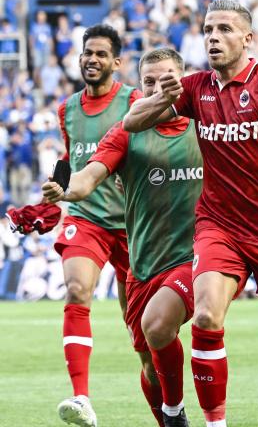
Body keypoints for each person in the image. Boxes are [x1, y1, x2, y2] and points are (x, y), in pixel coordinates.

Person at [122, 0, 258, 427]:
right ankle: (215, 422)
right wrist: (158, 98)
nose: (212, 36)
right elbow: (133, 122)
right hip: (219, 226)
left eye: (224, 29)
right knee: (206, 315)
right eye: (208, 29)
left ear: (248, 39)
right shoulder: (194, 87)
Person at [54, 24, 142, 427]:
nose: (92, 59)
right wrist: (49, 197)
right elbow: (69, 162)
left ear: (116, 62)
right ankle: (81, 397)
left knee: (142, 332)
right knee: (76, 289)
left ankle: (166, 405)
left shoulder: (133, 101)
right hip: (86, 218)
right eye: (88, 52)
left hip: (132, 224)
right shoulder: (67, 109)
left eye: (101, 54)